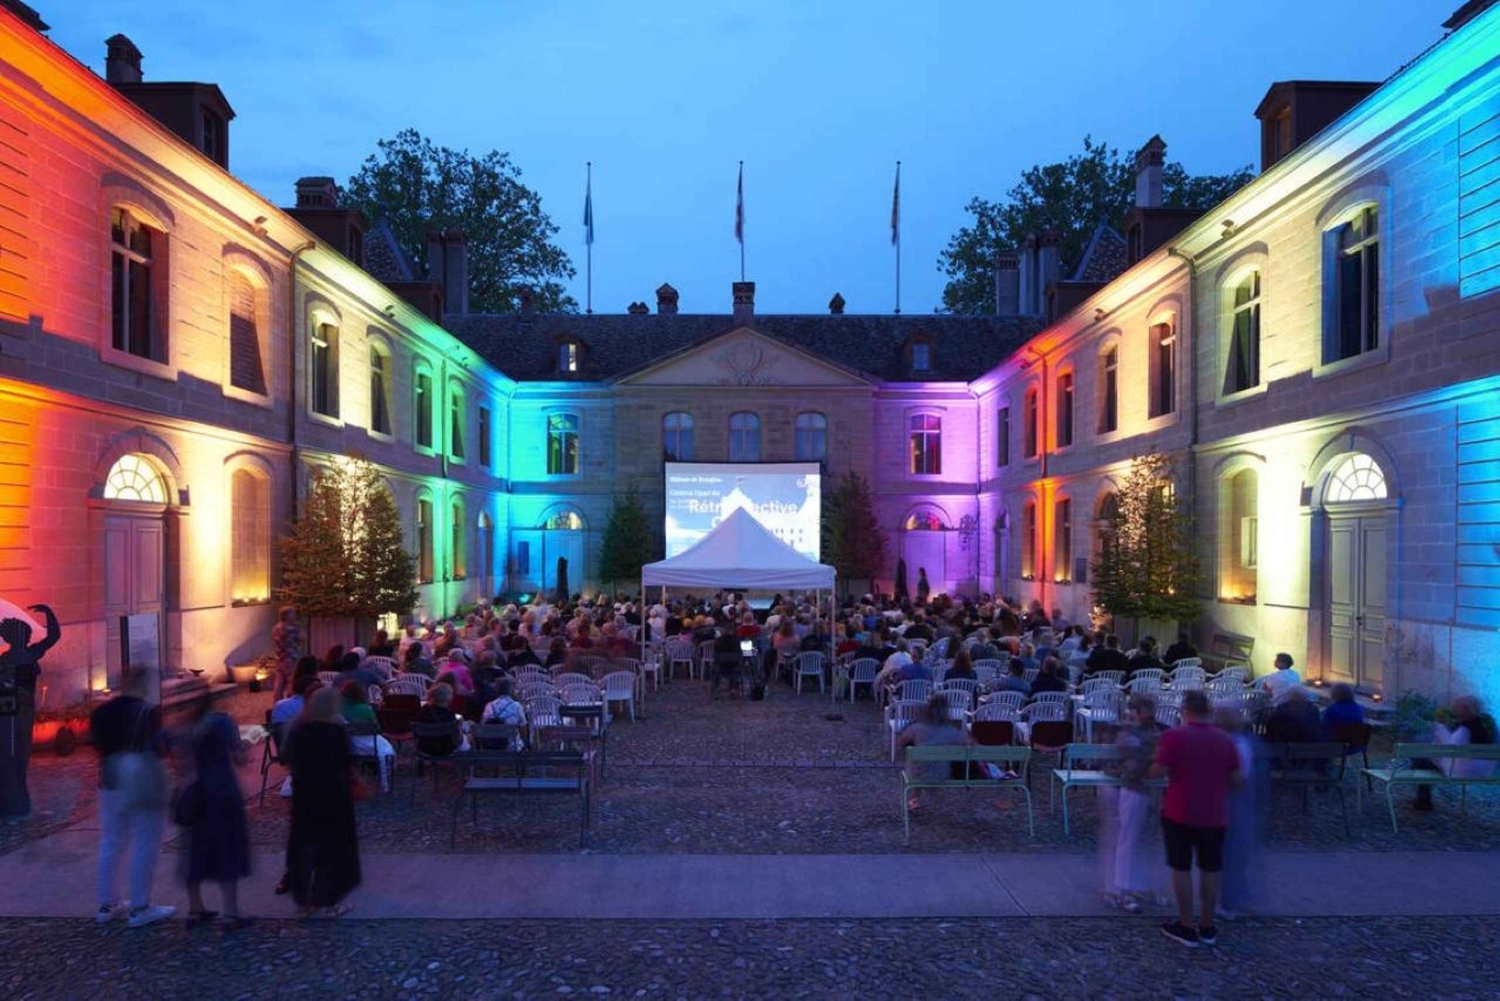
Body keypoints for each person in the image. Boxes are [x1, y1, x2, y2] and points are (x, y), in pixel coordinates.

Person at [1150, 690, 1241, 949]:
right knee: (1211, 868)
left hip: (1180, 810)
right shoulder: (1225, 740)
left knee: (1181, 867)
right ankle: (1207, 924)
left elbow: (1158, 772)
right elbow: (1236, 780)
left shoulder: (1174, 737)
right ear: (1208, 711)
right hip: (1214, 812)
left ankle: (1186, 924)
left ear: (1185, 711)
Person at [89, 666, 174, 927]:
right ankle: (140, 907)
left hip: (110, 778)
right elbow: (159, 748)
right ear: (143, 684)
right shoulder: (148, 712)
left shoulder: (101, 712)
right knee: (144, 843)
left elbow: (96, 744)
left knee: (111, 841)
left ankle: (107, 904)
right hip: (141, 782)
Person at [177, 692, 252, 931]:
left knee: (195, 850)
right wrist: (247, 746)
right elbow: (239, 757)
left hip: (193, 792)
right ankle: (230, 912)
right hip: (222, 790)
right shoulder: (222, 722)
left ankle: (195, 908)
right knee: (227, 848)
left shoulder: (184, 727)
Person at [284, 688, 360, 918]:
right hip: (334, 796)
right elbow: (347, 761)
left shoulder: (297, 730)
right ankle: (328, 902)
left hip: (305, 795)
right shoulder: (336, 731)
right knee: (332, 849)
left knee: (304, 848)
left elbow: (288, 759)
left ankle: (303, 902)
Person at [1101, 694, 1158, 913]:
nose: (1151, 714)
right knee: (1127, 840)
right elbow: (1131, 757)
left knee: (1140, 840)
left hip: (1146, 788)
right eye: (1147, 709)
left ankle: (1136, 885)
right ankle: (1121, 888)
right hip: (1131, 788)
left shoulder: (1151, 730)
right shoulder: (1126, 732)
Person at [1216, 706, 1265, 920]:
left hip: (1232, 803)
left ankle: (1230, 900)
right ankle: (1238, 895)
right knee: (1235, 852)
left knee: (1231, 853)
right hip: (1241, 803)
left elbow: (1238, 778)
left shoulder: (1235, 744)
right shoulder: (1246, 742)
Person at [1412, 695, 1498, 811]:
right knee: (1425, 761)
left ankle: (1423, 801)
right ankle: (1422, 799)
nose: (1453, 709)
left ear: (1465, 708)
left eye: (1456, 706)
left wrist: (1441, 728)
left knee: (1421, 761)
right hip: (1483, 771)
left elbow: (1450, 748)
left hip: (1462, 770)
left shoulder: (1465, 729)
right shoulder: (1481, 726)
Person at [896, 692, 966, 811]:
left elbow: (900, 743)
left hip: (918, 774)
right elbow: (966, 744)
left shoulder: (917, 728)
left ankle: (914, 799)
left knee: (919, 764)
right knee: (929, 762)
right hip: (942, 773)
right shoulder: (952, 731)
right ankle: (927, 796)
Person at [341, 681, 395, 792]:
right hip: (370, 744)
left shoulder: (340, 708)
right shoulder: (365, 709)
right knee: (385, 746)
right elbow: (377, 728)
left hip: (349, 744)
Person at [479, 678, 527, 750]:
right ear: (510, 690)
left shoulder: (489, 706)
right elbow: (523, 730)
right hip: (512, 748)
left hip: (491, 748)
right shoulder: (517, 706)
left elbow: (482, 728)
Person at [270, 605, 301, 702]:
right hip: (290, 658)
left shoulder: (276, 628)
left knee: (279, 683)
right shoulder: (291, 629)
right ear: (287, 615)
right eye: (293, 614)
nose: (295, 616)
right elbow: (301, 639)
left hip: (280, 658)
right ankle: (290, 702)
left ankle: (278, 703)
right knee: (291, 682)